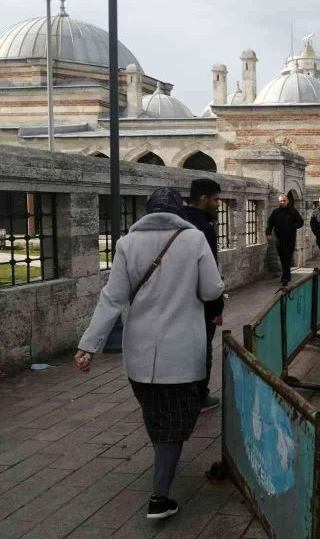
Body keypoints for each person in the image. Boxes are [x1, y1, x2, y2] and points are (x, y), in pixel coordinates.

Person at [74, 187, 224, 521]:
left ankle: (163, 469)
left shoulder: (127, 243)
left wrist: (88, 345)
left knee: (157, 414)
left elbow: (112, 298)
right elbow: (212, 289)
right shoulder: (194, 239)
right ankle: (160, 496)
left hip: (140, 353)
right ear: (177, 210)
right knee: (175, 420)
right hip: (182, 351)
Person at [182, 179, 224, 412]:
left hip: (178, 299)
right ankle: (199, 397)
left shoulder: (179, 221)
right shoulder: (203, 229)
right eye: (216, 199)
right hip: (200, 302)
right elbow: (209, 273)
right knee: (202, 350)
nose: (218, 204)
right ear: (204, 199)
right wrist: (216, 310)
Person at [266, 194, 304, 286]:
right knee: (282, 257)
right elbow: (270, 222)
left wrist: (292, 227)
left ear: (287, 201)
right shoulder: (275, 212)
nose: (282, 202)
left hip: (290, 239)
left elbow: (301, 222)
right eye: (281, 201)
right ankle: (287, 274)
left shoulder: (293, 211)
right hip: (279, 239)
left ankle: (285, 277)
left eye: (284, 200)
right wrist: (268, 232)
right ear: (279, 202)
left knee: (287, 257)